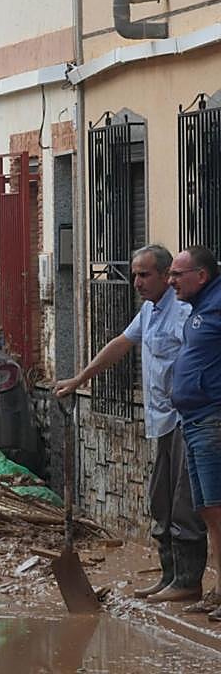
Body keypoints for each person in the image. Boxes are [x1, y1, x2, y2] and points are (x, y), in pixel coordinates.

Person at [55, 245, 205, 601]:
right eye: (135, 274)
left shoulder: (183, 312)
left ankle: (188, 582)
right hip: (161, 420)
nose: (137, 282)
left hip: (185, 419)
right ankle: (170, 576)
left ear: (166, 276)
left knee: (183, 506)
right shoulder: (149, 311)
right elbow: (121, 344)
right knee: (160, 501)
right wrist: (80, 378)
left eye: (144, 275)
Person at [169, 245, 221, 621]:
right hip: (193, 420)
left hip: (212, 419)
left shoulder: (217, 307)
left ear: (201, 276)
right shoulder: (199, 310)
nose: (171, 281)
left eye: (177, 274)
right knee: (208, 511)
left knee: (217, 510)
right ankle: (218, 591)